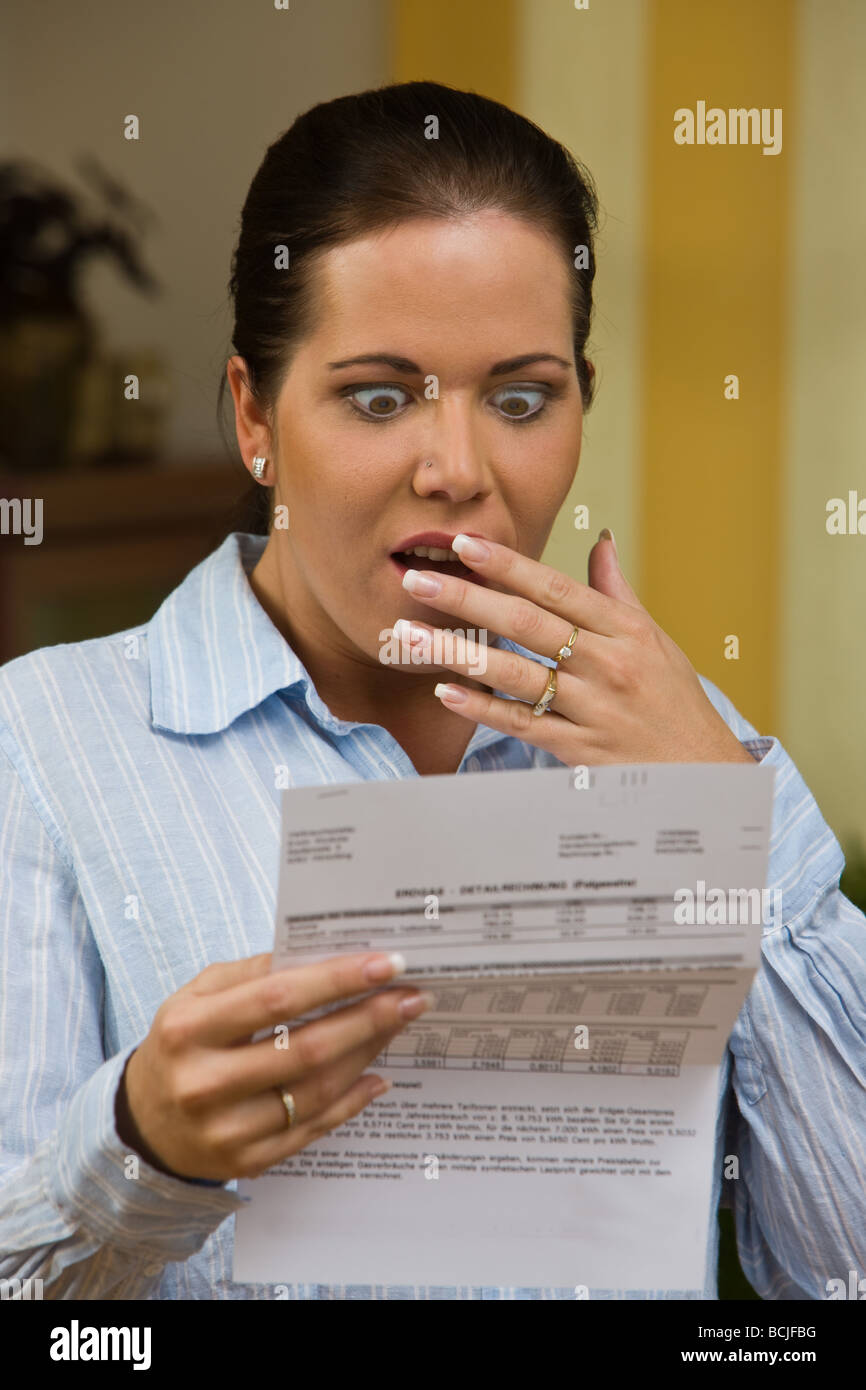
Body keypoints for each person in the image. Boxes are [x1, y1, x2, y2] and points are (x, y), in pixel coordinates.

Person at [0, 80, 862, 1301]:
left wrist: (730, 818)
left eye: (518, 398)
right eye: (376, 395)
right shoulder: (41, 746)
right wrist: (140, 1148)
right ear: (254, 418)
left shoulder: (685, 751)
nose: (457, 470)